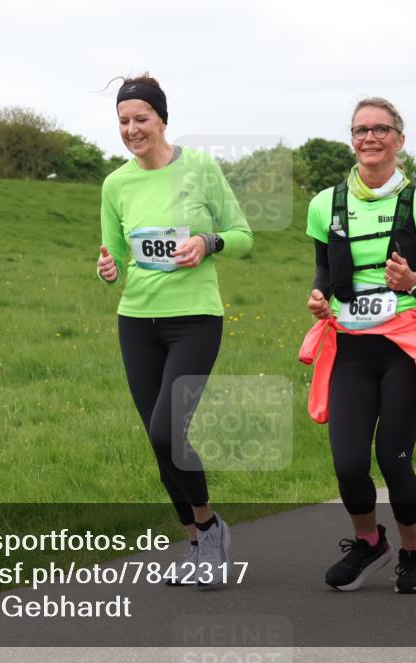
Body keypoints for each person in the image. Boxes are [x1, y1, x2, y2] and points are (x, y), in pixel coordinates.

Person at [302, 96, 416, 594]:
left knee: (392, 459)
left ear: (399, 138)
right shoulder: (324, 204)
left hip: (403, 347)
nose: (368, 138)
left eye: (380, 129)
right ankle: (371, 543)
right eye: (359, 130)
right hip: (350, 346)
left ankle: (414, 555)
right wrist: (318, 294)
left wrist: (412, 280)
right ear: (351, 138)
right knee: (349, 462)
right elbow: (326, 270)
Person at [96, 74, 254, 587]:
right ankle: (197, 543)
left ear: (162, 119)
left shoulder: (201, 168)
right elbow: (115, 249)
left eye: (141, 118)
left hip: (195, 320)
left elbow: (244, 236)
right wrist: (109, 266)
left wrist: (209, 242)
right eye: (123, 121)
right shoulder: (115, 184)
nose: (131, 129)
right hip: (137, 321)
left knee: (169, 431)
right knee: (156, 439)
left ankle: (210, 528)